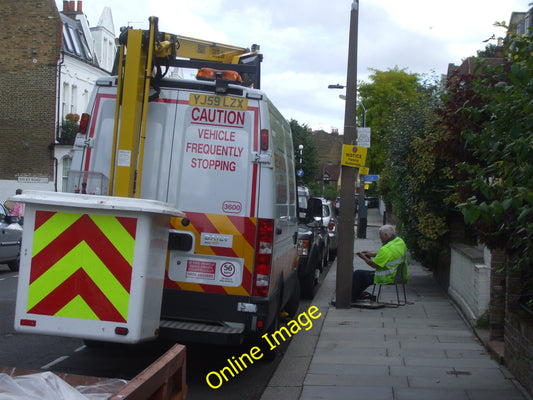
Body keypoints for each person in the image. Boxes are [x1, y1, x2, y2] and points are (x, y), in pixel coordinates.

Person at [352, 224, 407, 302]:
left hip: (386, 276)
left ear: (386, 235)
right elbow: (388, 255)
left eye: (380, 235)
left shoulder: (385, 249)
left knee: (358, 274)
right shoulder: (399, 242)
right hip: (397, 274)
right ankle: (358, 295)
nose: (380, 237)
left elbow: (373, 265)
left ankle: (352, 297)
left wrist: (363, 257)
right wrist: (371, 254)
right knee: (363, 276)